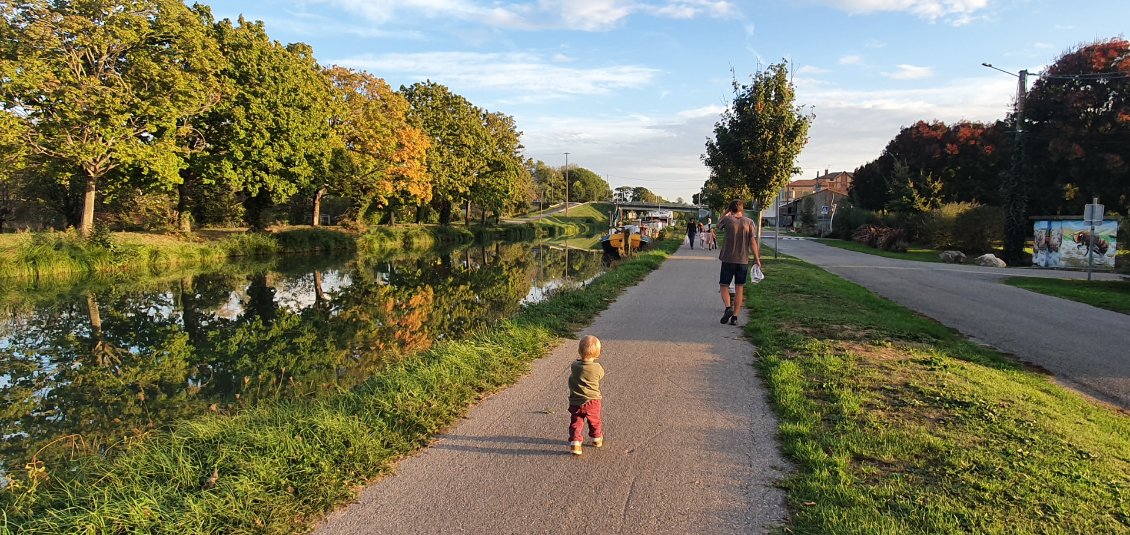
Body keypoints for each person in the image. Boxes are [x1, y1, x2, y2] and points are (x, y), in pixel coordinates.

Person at [717, 199, 761, 326]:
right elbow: (752, 242)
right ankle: (735, 317)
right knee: (739, 288)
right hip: (743, 260)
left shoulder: (727, 220)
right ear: (742, 209)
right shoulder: (749, 222)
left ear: (730, 209)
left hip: (728, 259)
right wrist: (757, 259)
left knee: (724, 285)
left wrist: (726, 212)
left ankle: (727, 307)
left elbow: (718, 224)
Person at [568, 335, 605, 455]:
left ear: (579, 351)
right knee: (594, 420)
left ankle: (575, 443)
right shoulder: (597, 368)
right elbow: (601, 375)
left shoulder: (574, 366)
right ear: (598, 354)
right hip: (592, 401)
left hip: (576, 401)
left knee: (576, 421)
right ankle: (596, 439)